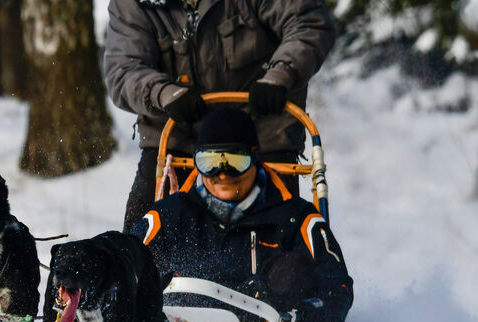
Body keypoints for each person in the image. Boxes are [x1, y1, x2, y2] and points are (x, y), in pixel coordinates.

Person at [130, 107, 352, 322]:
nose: (222, 174)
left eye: (235, 162)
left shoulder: (296, 217)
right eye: (210, 163)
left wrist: (302, 316)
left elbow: (338, 288)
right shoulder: (172, 214)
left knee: (294, 268)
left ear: (255, 159)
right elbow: (124, 262)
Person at [103, 0, 336, 233]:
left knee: (282, 236)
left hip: (261, 134)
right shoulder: (133, 4)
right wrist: (163, 93)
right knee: (138, 236)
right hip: (176, 137)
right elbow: (123, 69)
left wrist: (280, 76)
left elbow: (307, 22)